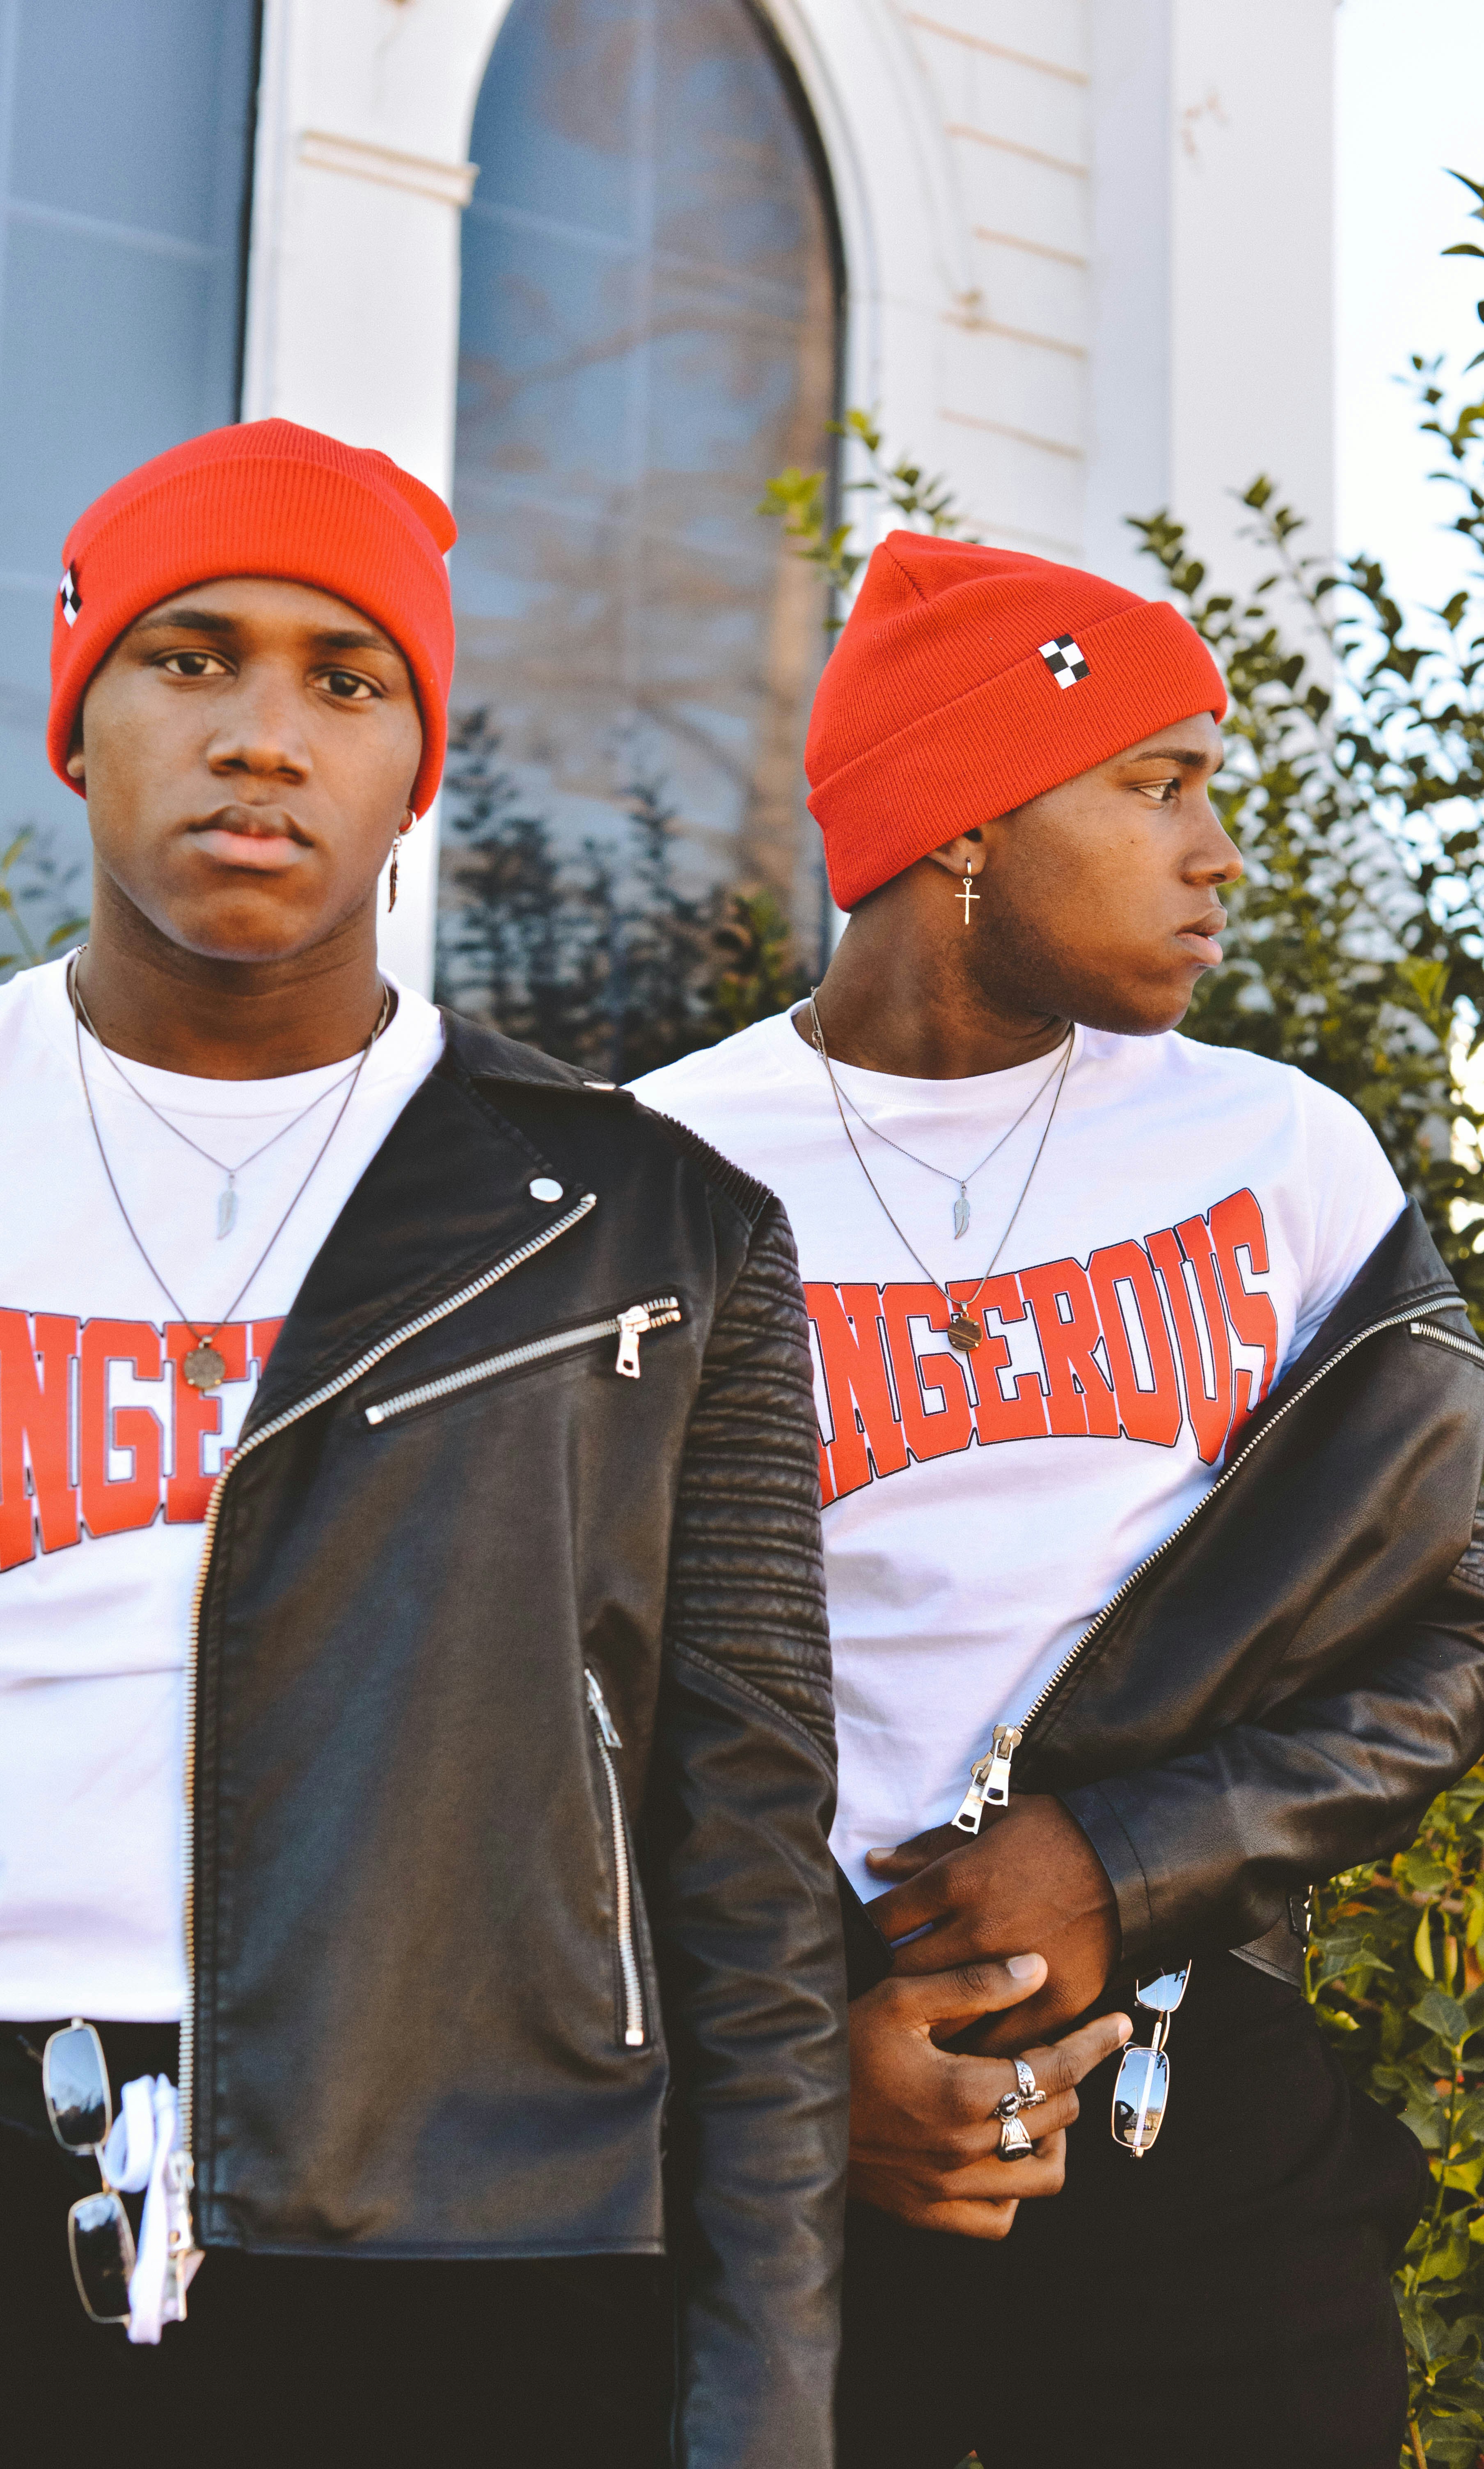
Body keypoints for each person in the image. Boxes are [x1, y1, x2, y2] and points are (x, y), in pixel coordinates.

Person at [0, 418, 849, 2467]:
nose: (263, 735)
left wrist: (767, 2395)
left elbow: (744, 1860)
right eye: (188, 656)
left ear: (418, 768)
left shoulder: (650, 1228)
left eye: (346, 677)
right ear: (77, 721)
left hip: (472, 2241)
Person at [634, 534, 1484, 2469]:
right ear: (961, 819)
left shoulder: (1276, 1151)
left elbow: (1452, 1599)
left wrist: (1131, 1855)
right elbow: (535, 1711)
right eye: (1155, 784)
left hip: (1188, 2089)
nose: (1216, 854)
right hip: (782, 2134)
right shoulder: (657, 1175)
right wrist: (794, 2058)